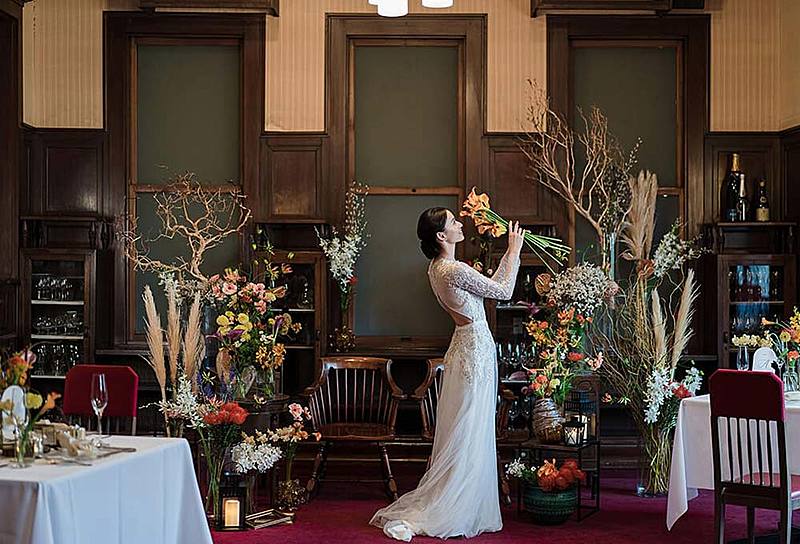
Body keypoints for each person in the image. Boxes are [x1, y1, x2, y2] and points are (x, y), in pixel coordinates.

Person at [370, 207, 525, 541]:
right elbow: (503, 291)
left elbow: (492, 287)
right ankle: (460, 506)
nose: (460, 223)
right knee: (470, 426)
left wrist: (506, 257)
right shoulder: (454, 269)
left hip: (464, 346)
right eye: (454, 221)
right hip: (474, 348)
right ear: (442, 235)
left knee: (467, 424)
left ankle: (466, 500)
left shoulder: (436, 268)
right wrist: (513, 250)